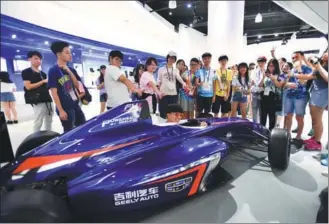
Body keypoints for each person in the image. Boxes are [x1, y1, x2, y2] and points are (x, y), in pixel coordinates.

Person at [48, 41, 86, 132]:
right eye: (67, 52)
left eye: (70, 52)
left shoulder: (71, 69)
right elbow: (54, 93)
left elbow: (77, 85)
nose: (70, 55)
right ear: (58, 54)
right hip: (65, 108)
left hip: (75, 105)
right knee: (69, 132)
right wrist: (61, 110)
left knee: (83, 127)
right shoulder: (53, 70)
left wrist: (68, 71)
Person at [295, 52, 328, 150]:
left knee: (317, 120)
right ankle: (314, 138)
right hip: (317, 94)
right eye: (325, 52)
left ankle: (317, 142)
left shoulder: (325, 68)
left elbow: (309, 76)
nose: (325, 53)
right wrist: (304, 59)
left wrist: (293, 74)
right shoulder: (322, 66)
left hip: (320, 95)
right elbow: (312, 69)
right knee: (315, 119)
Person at [285, 51, 313, 145]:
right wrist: (288, 84)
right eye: (292, 58)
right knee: (288, 116)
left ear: (302, 57)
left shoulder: (307, 69)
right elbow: (285, 83)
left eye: (296, 57)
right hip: (290, 95)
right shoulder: (291, 69)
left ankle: (298, 136)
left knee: (299, 117)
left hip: (301, 96)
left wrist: (299, 68)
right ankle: (287, 135)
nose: (294, 59)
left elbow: (302, 82)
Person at [21, 51, 53, 131]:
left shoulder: (43, 73)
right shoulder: (26, 72)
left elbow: (45, 87)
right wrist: (42, 82)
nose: (39, 61)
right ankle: (36, 138)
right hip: (37, 100)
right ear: (29, 59)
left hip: (47, 98)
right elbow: (28, 86)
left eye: (40, 59)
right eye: (36, 58)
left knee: (49, 120)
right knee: (38, 121)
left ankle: (48, 136)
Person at [157, 51, 187, 119]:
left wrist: (184, 84)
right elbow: (158, 81)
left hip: (173, 94)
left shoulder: (176, 70)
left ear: (175, 60)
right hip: (163, 93)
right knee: (163, 113)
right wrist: (158, 93)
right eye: (170, 58)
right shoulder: (161, 69)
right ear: (167, 58)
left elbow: (179, 78)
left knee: (173, 113)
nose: (171, 59)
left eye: (173, 58)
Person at [259, 59, 285, 130]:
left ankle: (271, 132)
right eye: (269, 66)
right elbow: (260, 85)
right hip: (264, 97)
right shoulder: (266, 74)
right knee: (262, 116)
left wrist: (273, 79)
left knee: (272, 117)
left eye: (272, 66)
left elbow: (280, 86)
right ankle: (262, 131)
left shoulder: (281, 75)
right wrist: (264, 77)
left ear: (276, 66)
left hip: (274, 98)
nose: (270, 67)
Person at [250, 56, 266, 123]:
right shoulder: (254, 71)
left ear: (265, 62)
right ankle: (254, 124)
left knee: (262, 110)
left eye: (262, 62)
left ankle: (261, 125)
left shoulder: (267, 71)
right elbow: (253, 82)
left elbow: (262, 84)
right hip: (254, 92)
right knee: (254, 109)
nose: (260, 63)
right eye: (259, 62)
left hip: (263, 93)